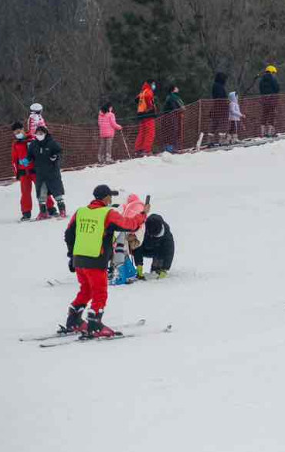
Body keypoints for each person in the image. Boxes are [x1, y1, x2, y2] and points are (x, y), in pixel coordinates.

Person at [61, 185, 149, 337]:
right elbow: (129, 225)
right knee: (99, 293)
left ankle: (74, 319)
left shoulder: (80, 212)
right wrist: (143, 215)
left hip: (79, 260)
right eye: (110, 197)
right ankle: (94, 324)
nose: (111, 200)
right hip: (95, 260)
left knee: (86, 290)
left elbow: (69, 234)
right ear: (106, 198)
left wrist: (71, 255)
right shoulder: (108, 214)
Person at [11, 122, 55, 221]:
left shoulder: (33, 139)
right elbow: (14, 160)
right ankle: (26, 213)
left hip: (36, 170)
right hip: (23, 172)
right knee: (25, 193)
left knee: (42, 190)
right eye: (15, 133)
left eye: (19, 131)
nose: (18, 134)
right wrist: (16, 173)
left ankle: (51, 208)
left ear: (23, 129)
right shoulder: (15, 144)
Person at [27, 125, 66, 219]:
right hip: (40, 173)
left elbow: (60, 152)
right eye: (37, 133)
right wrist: (26, 160)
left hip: (52, 173)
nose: (39, 135)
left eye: (41, 133)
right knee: (41, 193)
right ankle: (43, 213)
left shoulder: (51, 143)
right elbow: (30, 155)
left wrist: (55, 156)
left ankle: (62, 211)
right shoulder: (33, 144)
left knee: (57, 192)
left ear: (45, 134)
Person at [134, 214, 175, 280]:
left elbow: (169, 251)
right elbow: (138, 246)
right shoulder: (142, 229)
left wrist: (165, 268)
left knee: (164, 249)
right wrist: (139, 264)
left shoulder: (166, 234)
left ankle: (157, 267)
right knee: (134, 243)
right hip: (145, 249)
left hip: (158, 251)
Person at [258, 64, 281, 137]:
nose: (274, 74)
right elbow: (277, 89)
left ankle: (262, 133)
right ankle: (270, 132)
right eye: (274, 73)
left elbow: (260, 89)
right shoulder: (273, 79)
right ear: (271, 72)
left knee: (264, 115)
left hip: (264, 99)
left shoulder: (261, 80)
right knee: (272, 114)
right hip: (272, 99)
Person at [134, 81, 156, 156]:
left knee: (142, 132)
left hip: (141, 115)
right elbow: (148, 97)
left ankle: (138, 150)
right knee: (150, 133)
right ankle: (147, 150)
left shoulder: (143, 91)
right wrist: (150, 106)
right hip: (148, 115)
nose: (154, 85)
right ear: (150, 84)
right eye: (153, 84)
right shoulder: (149, 91)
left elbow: (136, 99)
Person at [162, 85, 185, 153]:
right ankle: (172, 148)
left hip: (172, 116)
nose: (178, 88)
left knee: (173, 131)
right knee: (173, 131)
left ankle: (173, 147)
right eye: (176, 87)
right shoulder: (172, 97)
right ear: (173, 90)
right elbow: (174, 107)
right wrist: (179, 110)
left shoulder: (172, 96)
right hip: (171, 116)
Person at [209, 71, 229, 144]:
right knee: (223, 124)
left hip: (215, 106)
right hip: (221, 107)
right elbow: (221, 96)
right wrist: (226, 104)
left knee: (214, 123)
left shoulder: (215, 85)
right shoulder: (219, 86)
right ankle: (221, 140)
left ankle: (210, 141)